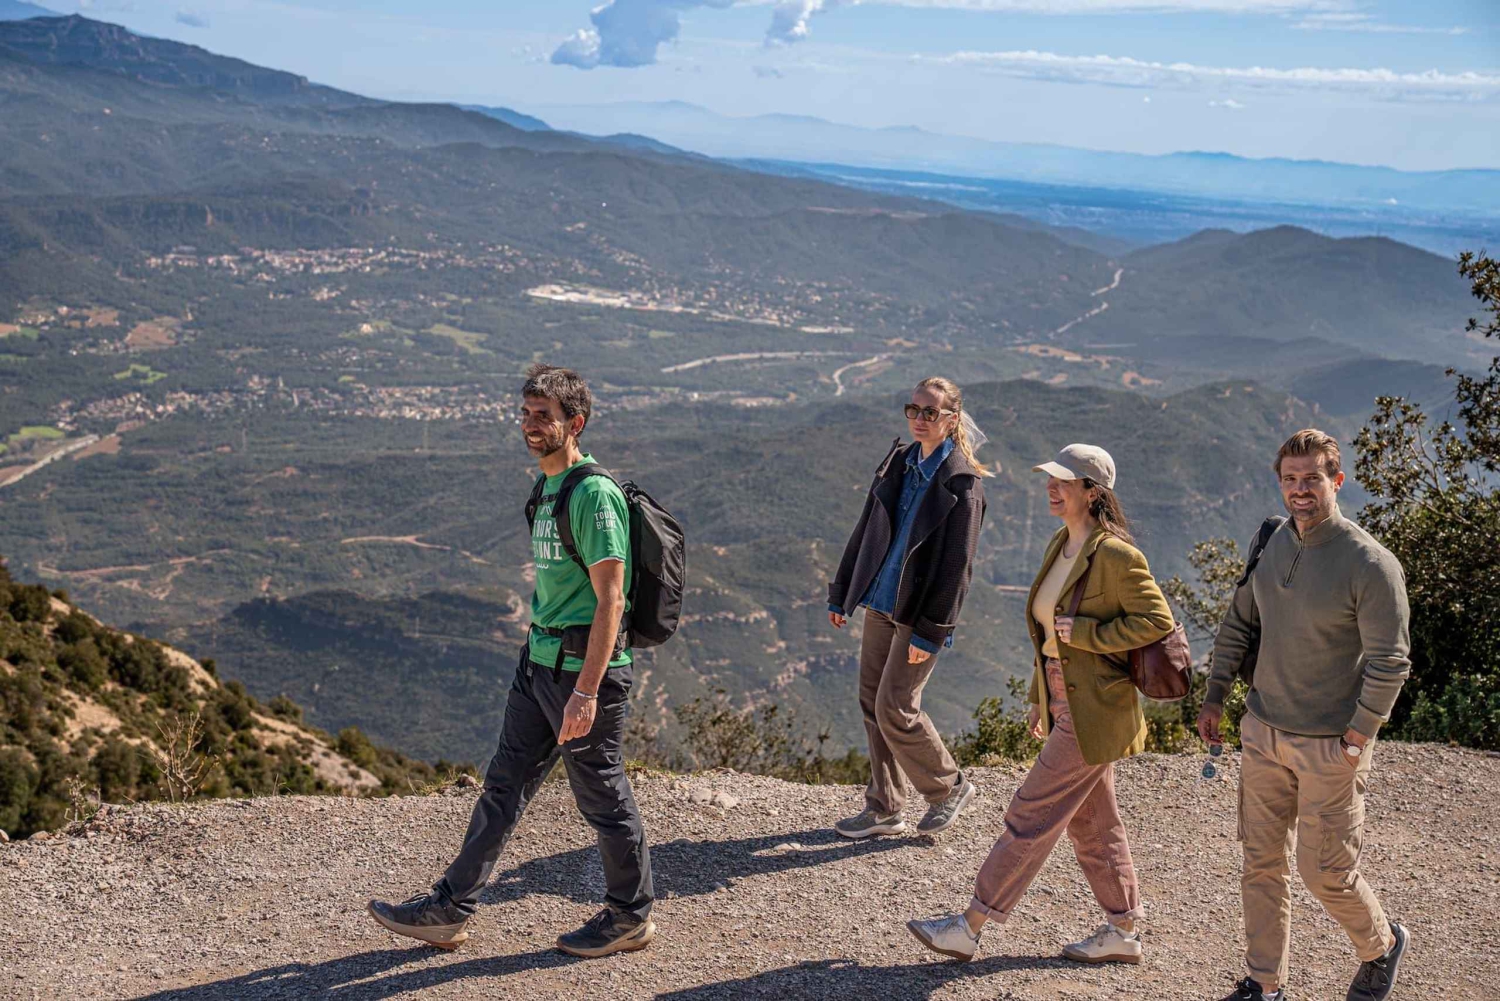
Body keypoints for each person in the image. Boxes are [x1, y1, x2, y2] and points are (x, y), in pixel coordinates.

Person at [368, 364, 655, 958]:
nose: (529, 425)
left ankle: (629, 916)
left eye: (543, 416)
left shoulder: (592, 494)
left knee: (601, 796)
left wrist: (586, 691)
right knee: (503, 787)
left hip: (581, 673)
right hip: (540, 662)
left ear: (576, 423)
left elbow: (612, 599)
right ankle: (449, 909)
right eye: (525, 413)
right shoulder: (546, 488)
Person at [908, 443, 1174, 965]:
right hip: (1063, 697)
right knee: (1092, 823)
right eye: (1050, 478)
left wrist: (1090, 633)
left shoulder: (1116, 555)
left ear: (1092, 493)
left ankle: (970, 925)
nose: (1052, 487)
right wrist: (1040, 697)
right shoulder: (1061, 543)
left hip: (1097, 707)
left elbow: (1157, 621)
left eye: (1064, 482)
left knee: (1030, 812)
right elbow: (1047, 635)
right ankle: (1123, 931)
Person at [1198, 430, 1411, 1001]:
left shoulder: (1370, 563)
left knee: (1326, 873)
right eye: (1290, 479)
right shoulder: (1271, 541)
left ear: (1336, 481)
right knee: (1260, 865)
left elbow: (1391, 662)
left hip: (1330, 745)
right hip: (1263, 731)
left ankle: (1382, 944)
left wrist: (1357, 738)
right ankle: (1264, 986)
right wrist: (1216, 694)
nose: (1300, 490)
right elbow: (1239, 621)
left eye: (1312, 478)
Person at [826, 377, 992, 839]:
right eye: (913, 409)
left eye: (930, 412)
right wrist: (842, 592)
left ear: (952, 420)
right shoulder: (899, 462)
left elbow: (958, 567)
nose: (919, 419)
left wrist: (933, 631)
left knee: (896, 706)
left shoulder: (962, 483)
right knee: (871, 702)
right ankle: (884, 807)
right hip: (880, 600)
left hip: (919, 615)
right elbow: (866, 528)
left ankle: (948, 786)